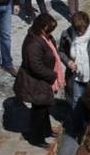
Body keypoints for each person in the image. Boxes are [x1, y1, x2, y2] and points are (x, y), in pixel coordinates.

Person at [14, 13, 62, 146]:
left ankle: (46, 131)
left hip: (42, 81)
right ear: (42, 28)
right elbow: (36, 67)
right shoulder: (33, 44)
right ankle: (36, 138)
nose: (51, 33)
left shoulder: (43, 38)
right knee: (38, 112)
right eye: (49, 30)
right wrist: (53, 75)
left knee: (44, 108)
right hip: (35, 82)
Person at [58, 12, 90, 135]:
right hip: (76, 78)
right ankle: (79, 131)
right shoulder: (67, 35)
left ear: (87, 25)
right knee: (76, 103)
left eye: (82, 30)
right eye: (77, 30)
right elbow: (61, 52)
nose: (80, 33)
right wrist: (68, 62)